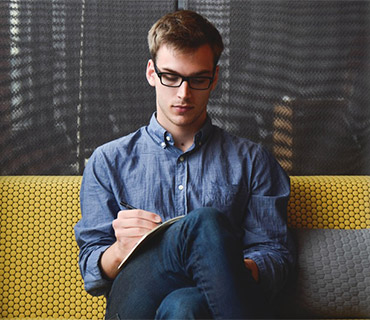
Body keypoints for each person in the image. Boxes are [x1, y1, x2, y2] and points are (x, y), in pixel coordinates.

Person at [74, 10, 295, 319]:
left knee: (184, 307)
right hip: (135, 303)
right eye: (171, 76)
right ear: (152, 73)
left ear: (215, 78)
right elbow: (91, 272)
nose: (183, 93)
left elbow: (275, 259)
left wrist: (219, 265)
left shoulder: (253, 161)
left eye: (198, 79)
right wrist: (120, 249)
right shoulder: (108, 161)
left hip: (205, 305)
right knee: (205, 224)